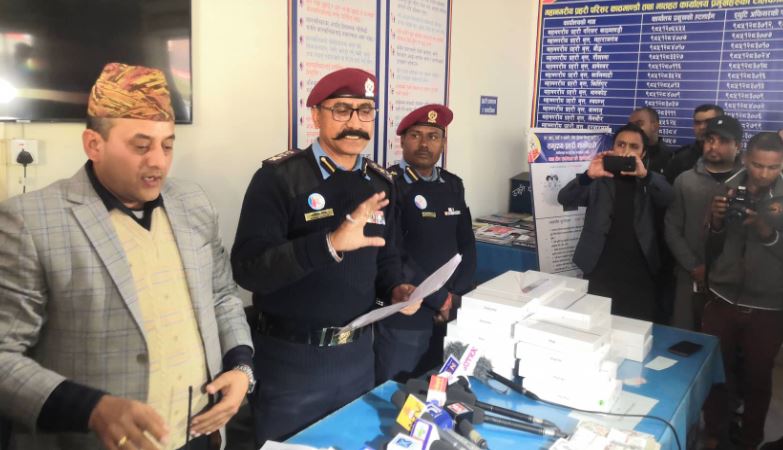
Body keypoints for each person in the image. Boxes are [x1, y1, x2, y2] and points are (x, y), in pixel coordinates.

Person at [0, 63, 254, 450]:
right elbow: (4, 355)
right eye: (140, 146)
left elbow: (222, 296)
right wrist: (91, 409)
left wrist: (240, 365)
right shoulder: (31, 222)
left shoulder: (194, 204)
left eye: (167, 145)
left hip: (198, 434)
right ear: (93, 144)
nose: (159, 161)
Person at [231, 67, 420, 445]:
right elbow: (248, 269)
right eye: (341, 110)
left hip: (357, 360)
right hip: (291, 365)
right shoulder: (280, 179)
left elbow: (386, 256)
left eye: (364, 111)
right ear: (315, 115)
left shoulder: (380, 183)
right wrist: (329, 244)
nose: (355, 123)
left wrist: (397, 289)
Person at [374, 104, 477, 383]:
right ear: (402, 141)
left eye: (433, 137)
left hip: (451, 312)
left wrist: (456, 297)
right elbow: (392, 252)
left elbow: (466, 242)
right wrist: (438, 299)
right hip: (408, 313)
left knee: (442, 388)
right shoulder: (388, 185)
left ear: (443, 142)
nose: (424, 144)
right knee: (397, 391)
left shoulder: (452, 184)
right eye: (415, 135)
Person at [702, 132, 783, 450]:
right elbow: (710, 243)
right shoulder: (726, 187)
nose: (764, 173)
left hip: (769, 306)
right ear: (747, 159)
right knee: (716, 373)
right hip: (723, 297)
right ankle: (715, 435)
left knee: (758, 379)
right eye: (758, 165)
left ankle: (751, 441)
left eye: (773, 167)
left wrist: (766, 232)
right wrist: (717, 222)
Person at [558, 123, 673, 321]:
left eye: (634, 147)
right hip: (599, 266)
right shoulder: (597, 178)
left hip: (639, 269)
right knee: (596, 323)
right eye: (621, 144)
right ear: (612, 147)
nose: (626, 151)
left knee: (636, 325)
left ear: (643, 153)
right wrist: (587, 177)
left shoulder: (650, 180)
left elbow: (668, 198)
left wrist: (645, 176)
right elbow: (565, 198)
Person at [665, 115, 742, 330]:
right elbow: (672, 229)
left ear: (737, 145)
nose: (714, 146)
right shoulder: (685, 181)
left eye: (723, 141)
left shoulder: (747, 182)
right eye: (710, 139)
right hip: (690, 275)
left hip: (734, 281)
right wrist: (694, 266)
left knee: (724, 339)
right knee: (684, 335)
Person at [665, 104, 724, 183]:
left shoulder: (733, 158)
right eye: (697, 123)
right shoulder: (680, 159)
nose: (702, 127)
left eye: (708, 122)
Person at [629, 106, 672, 175]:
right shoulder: (624, 154)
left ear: (655, 126)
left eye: (639, 124)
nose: (633, 128)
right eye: (630, 125)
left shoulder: (670, 158)